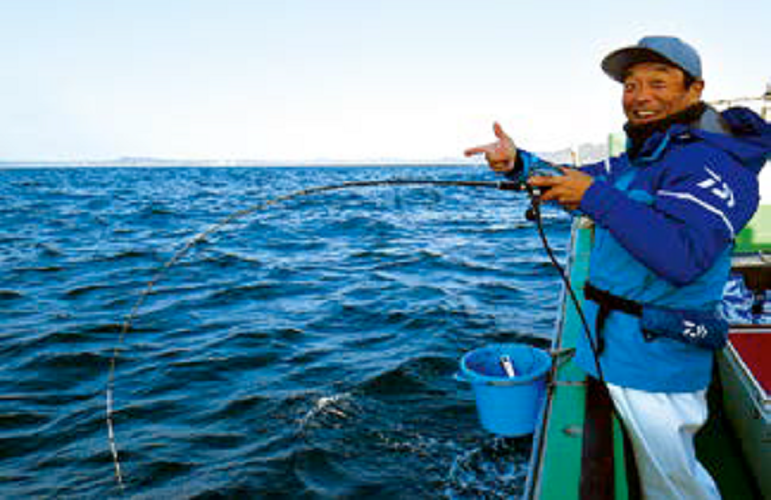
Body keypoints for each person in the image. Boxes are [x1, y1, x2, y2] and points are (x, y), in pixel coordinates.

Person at [465, 36, 771, 499]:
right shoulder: (643, 157)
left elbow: (683, 257)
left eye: (657, 82)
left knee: (677, 486)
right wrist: (516, 163)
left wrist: (593, 196)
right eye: (630, 84)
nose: (639, 95)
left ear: (695, 89)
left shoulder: (716, 166)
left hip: (656, 366)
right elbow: (573, 182)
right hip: (613, 349)